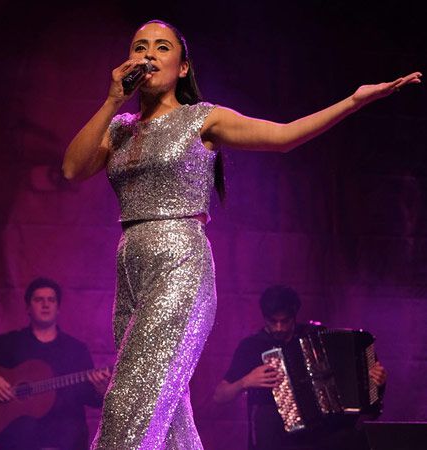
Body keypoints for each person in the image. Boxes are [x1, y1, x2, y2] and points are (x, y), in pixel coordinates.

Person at [61, 18, 418, 450]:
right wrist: (110, 100)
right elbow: (72, 168)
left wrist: (353, 101)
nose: (149, 54)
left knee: (128, 402)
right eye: (140, 47)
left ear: (183, 66)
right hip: (132, 269)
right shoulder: (118, 128)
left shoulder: (202, 119)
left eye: (161, 47)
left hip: (180, 265)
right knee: (168, 415)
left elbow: (283, 137)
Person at [213, 285, 387, 450]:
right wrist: (245, 382)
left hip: (323, 434)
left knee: (351, 438)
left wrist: (372, 378)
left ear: (295, 315)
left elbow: (349, 373)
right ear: (264, 317)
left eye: (285, 321)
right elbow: (219, 395)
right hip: (276, 436)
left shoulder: (314, 336)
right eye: (273, 321)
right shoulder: (251, 346)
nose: (279, 328)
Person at [0, 277, 111, 450]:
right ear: (28, 308)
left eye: (51, 300)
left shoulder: (76, 350)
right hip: (20, 443)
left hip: (66, 442)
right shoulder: (10, 344)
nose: (45, 304)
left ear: (58, 308)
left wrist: (100, 390)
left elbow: (91, 399)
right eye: (39, 300)